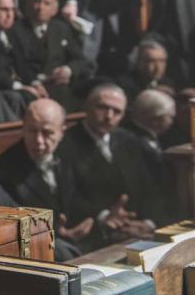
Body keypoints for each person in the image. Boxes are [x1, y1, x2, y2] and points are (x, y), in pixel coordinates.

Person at [56, 84, 161, 248]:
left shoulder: (129, 140)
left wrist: (148, 223)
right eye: (102, 107)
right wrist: (104, 217)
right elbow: (68, 197)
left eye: (117, 111)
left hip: (136, 230)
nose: (109, 116)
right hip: (94, 235)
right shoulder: (65, 144)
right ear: (87, 106)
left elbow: (147, 187)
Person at [0, 99, 90, 260]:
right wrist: (55, 232)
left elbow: (84, 195)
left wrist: (97, 218)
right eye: (32, 131)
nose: (39, 141)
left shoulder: (73, 152)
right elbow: (15, 224)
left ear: (62, 132)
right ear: (23, 128)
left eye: (47, 133)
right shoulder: (2, 168)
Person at [11, 0, 93, 110]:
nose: (40, 7)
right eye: (37, 2)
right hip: (31, 85)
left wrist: (68, 70)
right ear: (29, 5)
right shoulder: (16, 30)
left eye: (46, 3)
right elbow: (16, 63)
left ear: (54, 9)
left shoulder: (61, 28)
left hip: (60, 86)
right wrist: (34, 82)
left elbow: (81, 60)